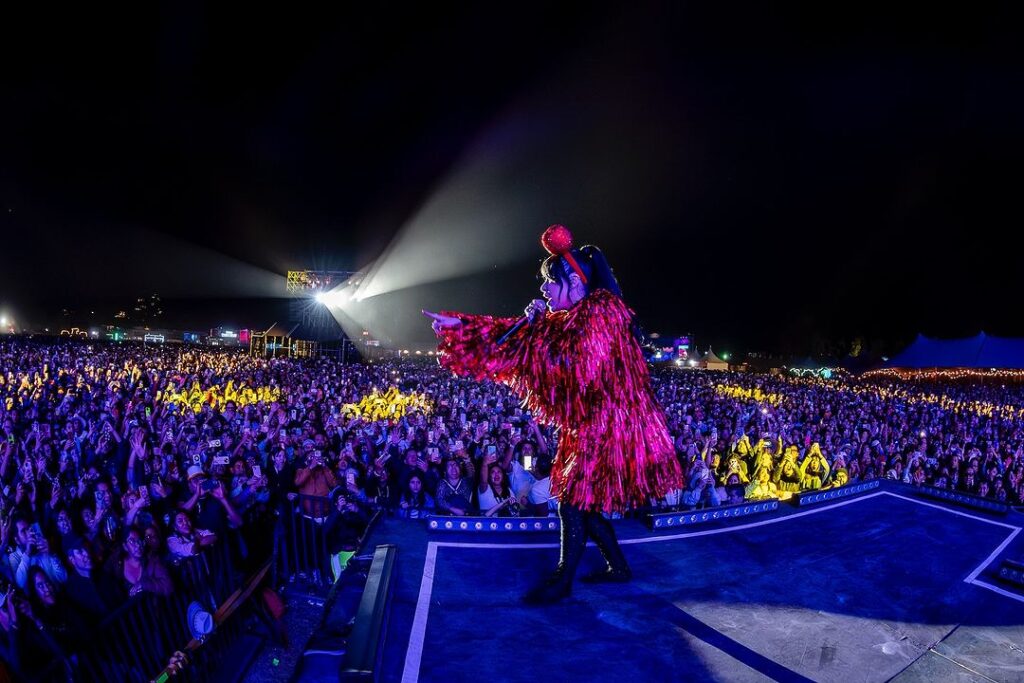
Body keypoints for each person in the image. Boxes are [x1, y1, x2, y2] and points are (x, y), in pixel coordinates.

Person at [425, 224, 682, 604]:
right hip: (590, 424)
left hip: (607, 426)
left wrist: (539, 324)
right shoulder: (576, 316)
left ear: (576, 285)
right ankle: (619, 567)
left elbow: (574, 368)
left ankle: (562, 581)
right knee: (586, 505)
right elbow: (525, 343)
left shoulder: (601, 312)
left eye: (550, 283)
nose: (543, 290)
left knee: (571, 502)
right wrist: (462, 326)